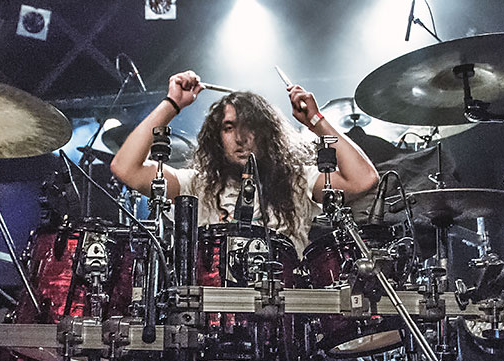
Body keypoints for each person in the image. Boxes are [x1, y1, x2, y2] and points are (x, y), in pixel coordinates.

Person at [110, 70, 379, 256]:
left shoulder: (297, 180)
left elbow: (363, 180)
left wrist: (315, 121)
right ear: (217, 137)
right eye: (229, 128)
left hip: (283, 308)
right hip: (215, 312)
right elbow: (125, 168)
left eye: (250, 126)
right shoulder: (196, 185)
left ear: (266, 133)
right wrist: (172, 104)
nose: (240, 138)